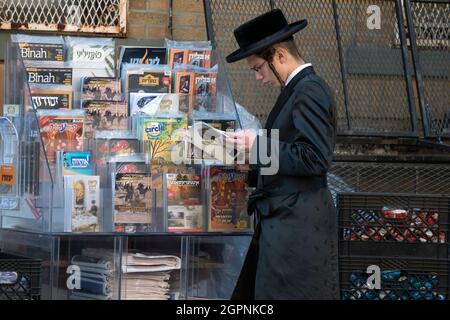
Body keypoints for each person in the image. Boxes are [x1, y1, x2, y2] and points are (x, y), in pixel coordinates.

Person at [225, 9, 339, 299]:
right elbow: (289, 155)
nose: (259, 78)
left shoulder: (309, 90)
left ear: (278, 56)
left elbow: (314, 157)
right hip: (285, 225)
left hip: (297, 231)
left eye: (258, 68)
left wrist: (258, 145)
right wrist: (247, 163)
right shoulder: (297, 90)